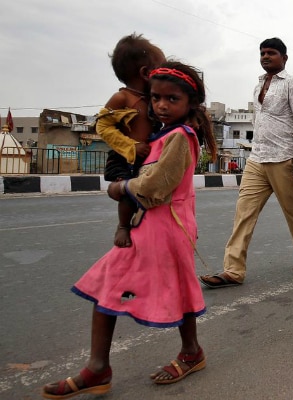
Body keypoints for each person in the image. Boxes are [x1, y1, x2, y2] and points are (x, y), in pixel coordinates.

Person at [41, 61, 217, 398]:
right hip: (152, 227)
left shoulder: (180, 136)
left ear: (190, 104)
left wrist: (120, 189)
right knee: (120, 283)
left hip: (169, 227)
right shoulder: (158, 135)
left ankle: (178, 354)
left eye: (172, 99)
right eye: (156, 98)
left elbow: (156, 186)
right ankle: (102, 367)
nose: (161, 105)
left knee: (156, 286)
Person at [198, 37, 293, 289]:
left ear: (284, 57)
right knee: (243, 213)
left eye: (271, 53)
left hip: (283, 158)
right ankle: (233, 270)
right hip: (257, 158)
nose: (265, 57)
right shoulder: (258, 84)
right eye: (262, 53)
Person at [96, 33, 166, 248]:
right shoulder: (122, 98)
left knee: (146, 191)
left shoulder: (154, 99)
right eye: (161, 70)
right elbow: (102, 125)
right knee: (126, 191)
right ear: (146, 73)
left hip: (146, 157)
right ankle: (123, 226)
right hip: (124, 156)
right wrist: (130, 145)